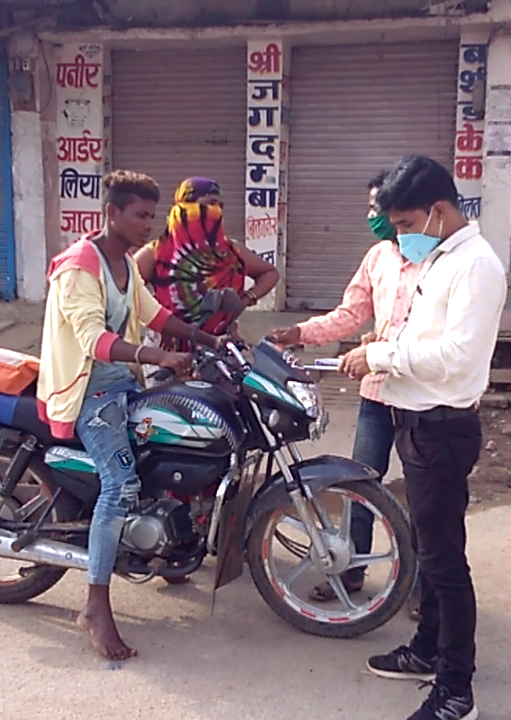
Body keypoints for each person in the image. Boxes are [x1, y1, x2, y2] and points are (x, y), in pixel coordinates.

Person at [339, 154, 506, 720]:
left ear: (438, 210)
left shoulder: (475, 266)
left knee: (444, 563)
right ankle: (428, 650)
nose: (400, 237)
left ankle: (456, 692)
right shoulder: (437, 258)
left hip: (443, 429)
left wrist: (379, 355)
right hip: (414, 424)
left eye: (406, 224)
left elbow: (458, 358)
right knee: (431, 552)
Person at [37, 170, 226, 661]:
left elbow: (155, 313)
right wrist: (158, 357)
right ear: (112, 213)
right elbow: (93, 340)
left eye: (152, 215)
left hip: (121, 385)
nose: (148, 225)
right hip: (86, 395)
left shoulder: (123, 264)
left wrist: (210, 341)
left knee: (174, 443)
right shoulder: (81, 265)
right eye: (140, 215)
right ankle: (95, 607)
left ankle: (167, 547)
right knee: (120, 484)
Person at [267, 170, 419, 608]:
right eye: (371, 207)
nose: (373, 216)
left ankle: (427, 587)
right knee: (357, 485)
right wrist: (298, 332)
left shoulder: (437, 263)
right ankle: (350, 569)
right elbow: (349, 315)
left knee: (423, 497)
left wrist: (381, 342)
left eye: (378, 208)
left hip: (421, 399)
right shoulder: (377, 259)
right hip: (377, 394)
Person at [134, 176, 280, 352]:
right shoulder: (156, 253)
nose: (216, 211)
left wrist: (244, 301)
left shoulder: (230, 251)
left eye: (220, 206)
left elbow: (270, 273)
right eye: (210, 203)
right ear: (184, 208)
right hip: (167, 354)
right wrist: (157, 319)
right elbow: (124, 290)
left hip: (218, 351)